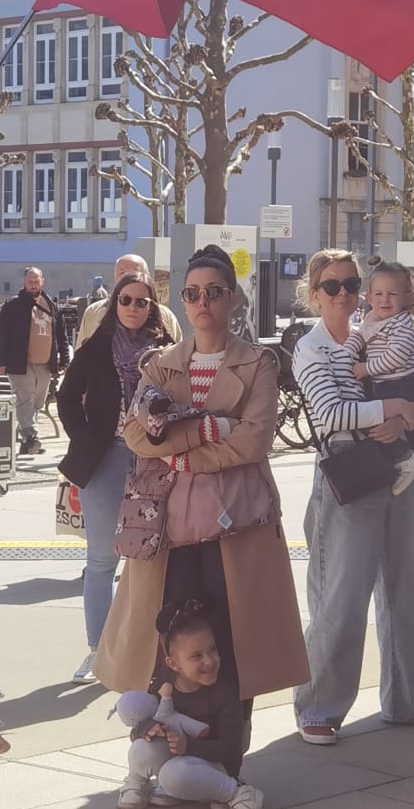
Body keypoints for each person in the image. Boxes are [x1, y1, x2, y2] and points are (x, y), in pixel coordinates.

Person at [96, 243, 307, 731]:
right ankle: (167, 742)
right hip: (167, 526)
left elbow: (253, 441)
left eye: (213, 291)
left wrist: (177, 450)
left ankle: (226, 752)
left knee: (232, 640)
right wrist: (212, 428)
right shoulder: (160, 363)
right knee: (168, 638)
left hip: (236, 524)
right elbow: (135, 434)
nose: (202, 301)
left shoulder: (259, 363)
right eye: (192, 293)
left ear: (232, 297)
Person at [291, 248, 414, 744]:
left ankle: (407, 700)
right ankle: (318, 707)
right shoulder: (311, 348)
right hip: (349, 473)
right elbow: (330, 414)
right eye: (331, 285)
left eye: (350, 284)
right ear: (314, 295)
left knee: (409, 594)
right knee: (340, 599)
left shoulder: (378, 330)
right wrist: (394, 409)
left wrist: (412, 414)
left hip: (398, 471)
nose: (343, 293)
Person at [58, 270, 173, 684]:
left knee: (153, 558)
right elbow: (66, 396)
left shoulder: (166, 349)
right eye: (126, 300)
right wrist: (85, 436)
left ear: (152, 307)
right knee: (102, 560)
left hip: (154, 460)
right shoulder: (97, 347)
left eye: (142, 302)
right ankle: (98, 652)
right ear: (114, 304)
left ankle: (152, 651)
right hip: (105, 458)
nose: (133, 308)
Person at [113, 597, 263, 809]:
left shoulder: (224, 694)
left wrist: (188, 746)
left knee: (173, 776)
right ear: (173, 664)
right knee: (141, 748)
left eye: (213, 650)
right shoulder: (165, 685)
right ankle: (137, 782)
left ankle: (237, 793)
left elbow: (232, 748)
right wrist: (148, 728)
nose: (209, 661)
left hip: (216, 765)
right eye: (197, 656)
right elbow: (142, 728)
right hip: (180, 760)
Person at [346, 261, 414, 521]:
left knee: (374, 419)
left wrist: (366, 368)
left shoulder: (403, 324)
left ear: (407, 297)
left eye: (392, 294)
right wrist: (346, 352)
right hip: (390, 384)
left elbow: (396, 356)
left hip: (403, 384)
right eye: (378, 294)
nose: (385, 300)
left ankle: (405, 458)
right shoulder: (372, 320)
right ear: (369, 297)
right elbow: (359, 337)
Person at [0, 265, 71, 455]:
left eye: (36, 281)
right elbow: (2, 334)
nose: (33, 285)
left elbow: (61, 335)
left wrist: (65, 359)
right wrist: (1, 361)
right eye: (30, 282)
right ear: (24, 283)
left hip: (45, 363)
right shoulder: (12, 305)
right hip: (20, 363)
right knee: (24, 399)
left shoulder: (51, 305)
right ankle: (32, 436)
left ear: (42, 282)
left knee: (37, 401)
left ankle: (26, 440)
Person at [76, 255, 181, 347]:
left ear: (147, 277)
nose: (127, 278)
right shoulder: (94, 312)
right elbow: (81, 356)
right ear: (115, 278)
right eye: (122, 273)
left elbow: (177, 356)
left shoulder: (165, 316)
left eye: (134, 273)